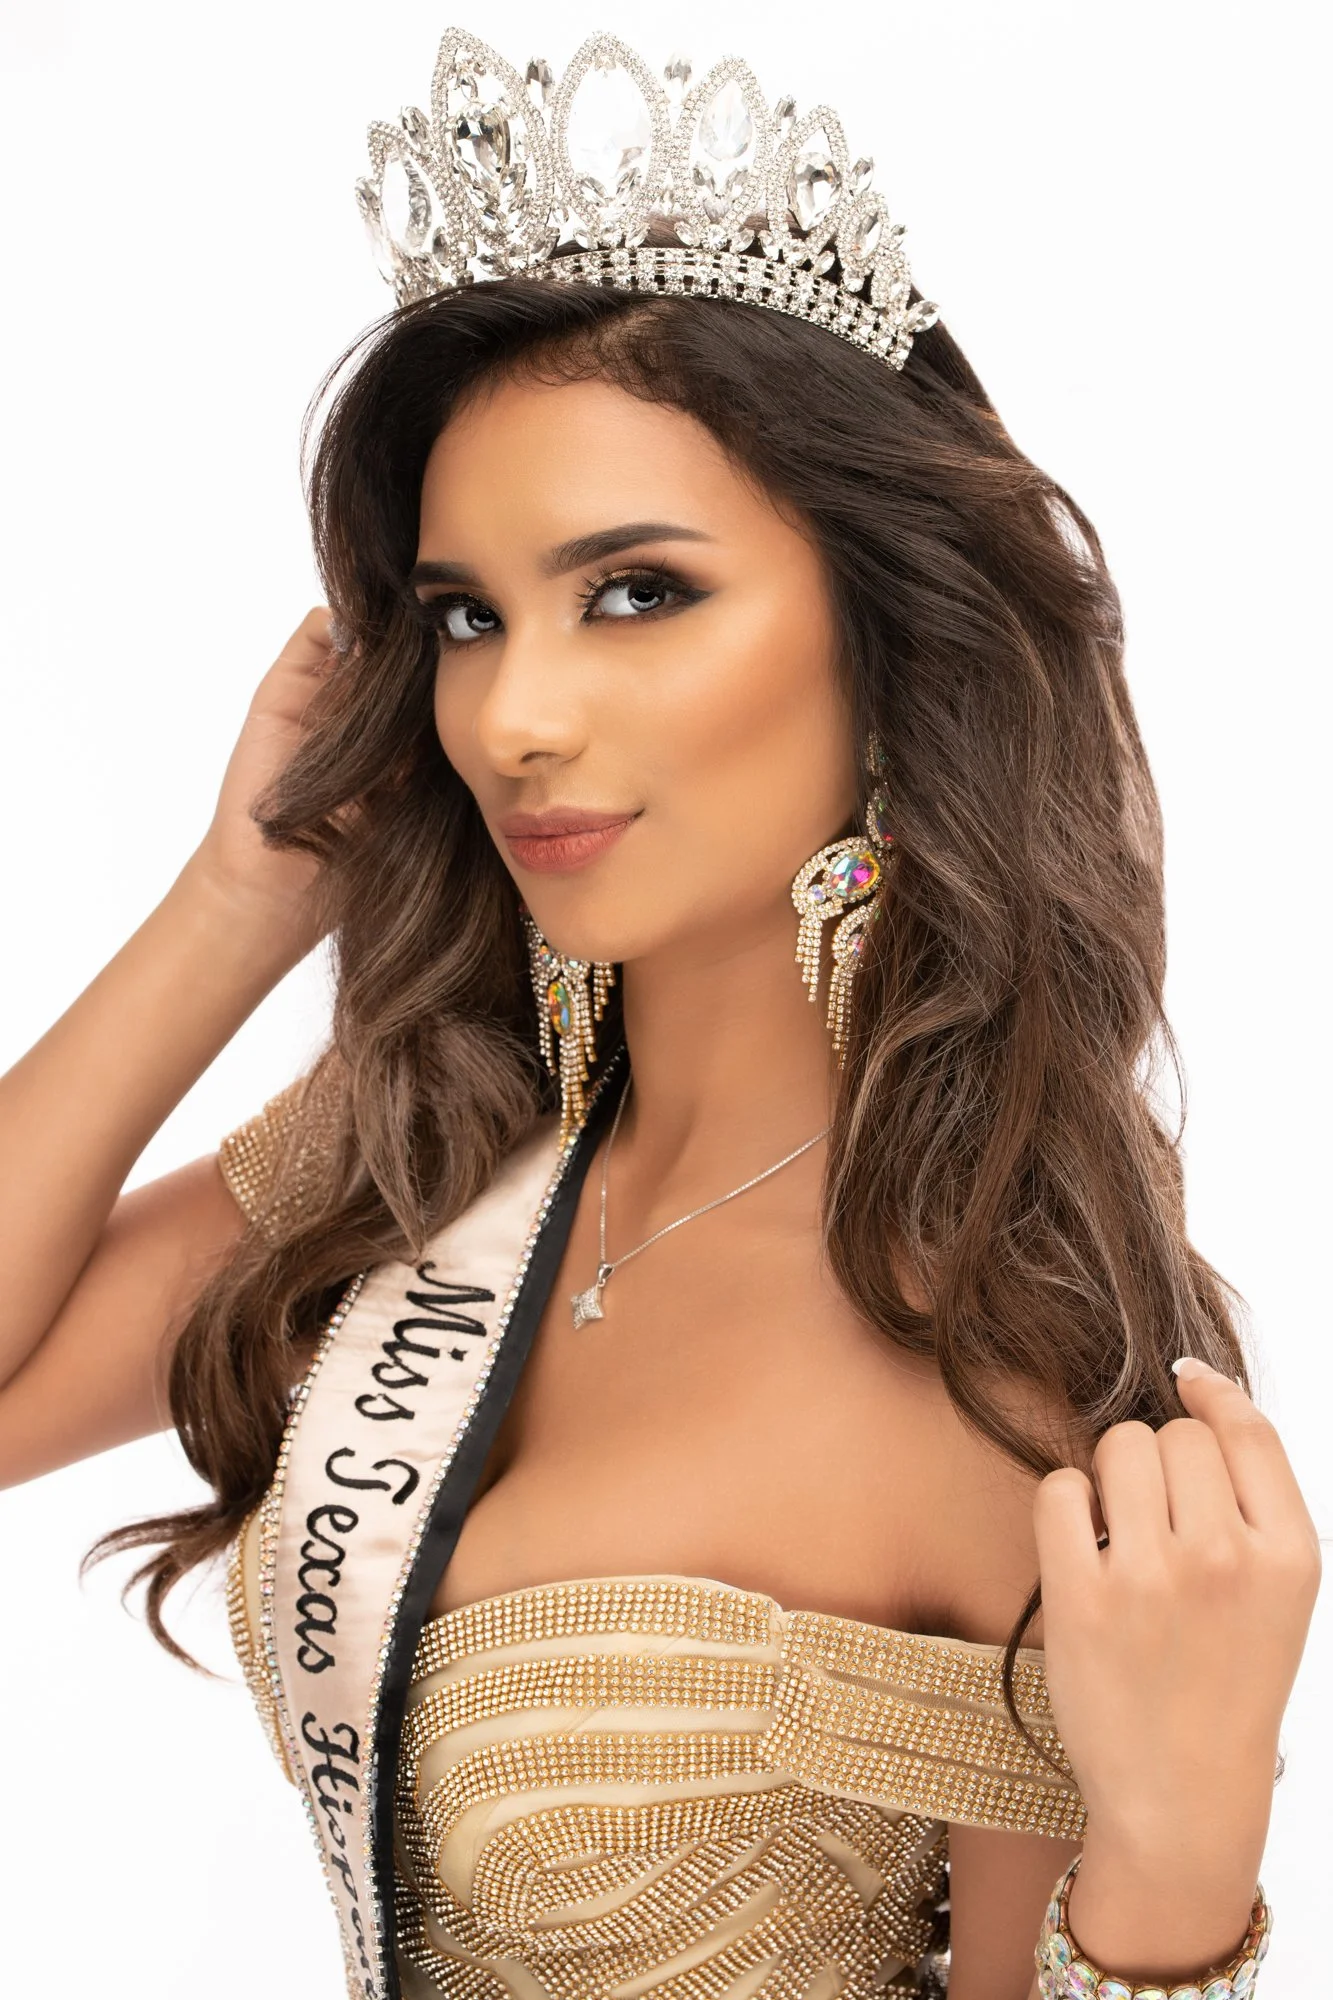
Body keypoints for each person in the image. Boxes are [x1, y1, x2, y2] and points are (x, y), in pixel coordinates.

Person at [0, 25, 1319, 2000]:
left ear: (890, 636)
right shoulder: (425, 1167)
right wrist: (235, 899)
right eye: (466, 615)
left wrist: (1181, 1860)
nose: (514, 713)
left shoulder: (998, 1354)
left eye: (635, 592)